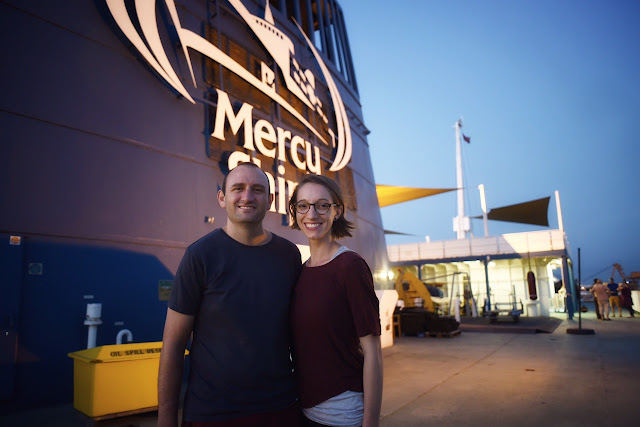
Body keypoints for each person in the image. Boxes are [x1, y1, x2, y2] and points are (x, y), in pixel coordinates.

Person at [158, 163, 303, 427]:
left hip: (281, 408)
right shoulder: (200, 255)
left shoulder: (289, 255)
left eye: (257, 190)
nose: (247, 197)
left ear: (270, 200)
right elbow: (174, 345)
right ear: (222, 198)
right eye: (238, 188)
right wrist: (166, 419)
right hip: (213, 413)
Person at [288, 174, 383, 427]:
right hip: (304, 410)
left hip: (342, 414)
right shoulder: (301, 271)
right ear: (295, 211)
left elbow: (373, 353)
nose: (312, 214)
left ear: (337, 211)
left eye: (322, 205)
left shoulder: (350, 266)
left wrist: (370, 423)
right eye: (303, 205)